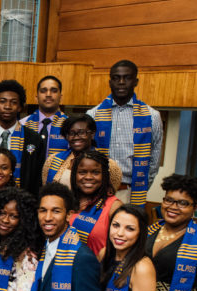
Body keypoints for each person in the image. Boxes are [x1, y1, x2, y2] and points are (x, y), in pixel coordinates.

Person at [86, 60, 164, 205]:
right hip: (97, 191)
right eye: (116, 78)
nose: (121, 82)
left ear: (136, 81)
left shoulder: (152, 116)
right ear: (110, 82)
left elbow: (154, 160)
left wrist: (138, 188)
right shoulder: (93, 114)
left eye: (127, 78)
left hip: (130, 192)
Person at [0, 80, 45, 194]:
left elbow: (36, 180)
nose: (7, 106)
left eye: (13, 102)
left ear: (20, 107)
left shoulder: (34, 140)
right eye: (2, 101)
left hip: (22, 202)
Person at [41, 114, 123, 191]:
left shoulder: (109, 165)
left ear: (92, 134)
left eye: (81, 132)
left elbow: (111, 192)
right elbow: (47, 189)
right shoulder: (52, 160)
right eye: (71, 133)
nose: (76, 137)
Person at [70, 150, 123, 255]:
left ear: (104, 176)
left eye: (95, 172)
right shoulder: (67, 202)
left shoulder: (114, 206)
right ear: (74, 175)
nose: (88, 177)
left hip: (96, 269)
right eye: (82, 172)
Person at [21, 75, 68, 159]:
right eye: (43, 91)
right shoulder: (22, 124)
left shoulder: (69, 125)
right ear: (36, 98)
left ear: (60, 97)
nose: (48, 94)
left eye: (54, 91)